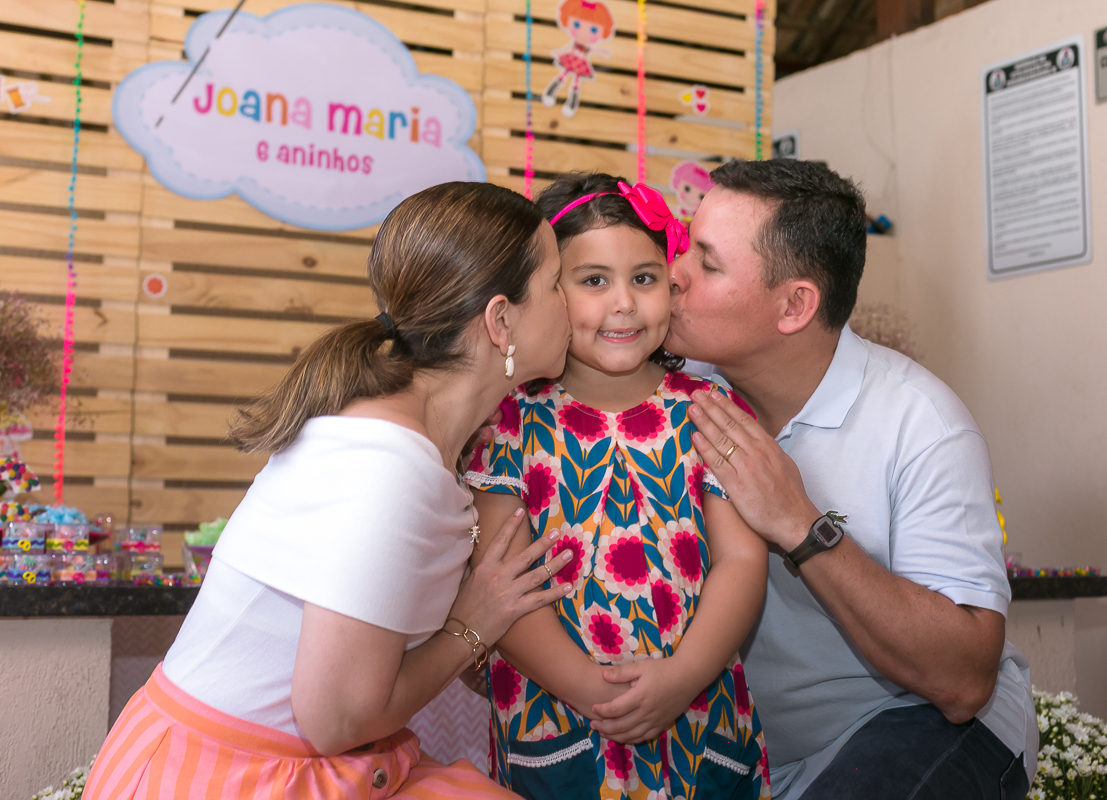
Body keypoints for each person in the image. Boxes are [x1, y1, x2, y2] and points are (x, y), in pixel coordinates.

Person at [84, 182, 579, 800]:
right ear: (501, 320)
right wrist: (472, 625)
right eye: (559, 283)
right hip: (230, 777)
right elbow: (336, 720)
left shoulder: (429, 446)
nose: (573, 306)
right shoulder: (387, 467)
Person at [659, 158, 1035, 800]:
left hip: (916, 724)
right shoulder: (675, 392)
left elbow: (964, 680)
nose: (675, 273)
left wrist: (799, 524)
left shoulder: (922, 423)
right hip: (754, 754)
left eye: (708, 261)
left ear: (795, 305)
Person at [465, 172, 771, 800]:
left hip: (696, 719)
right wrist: (591, 692)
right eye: (594, 281)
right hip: (559, 720)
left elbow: (741, 559)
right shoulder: (509, 420)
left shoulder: (711, 409)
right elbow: (496, 583)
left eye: (644, 277)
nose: (625, 303)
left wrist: (682, 677)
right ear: (547, 292)